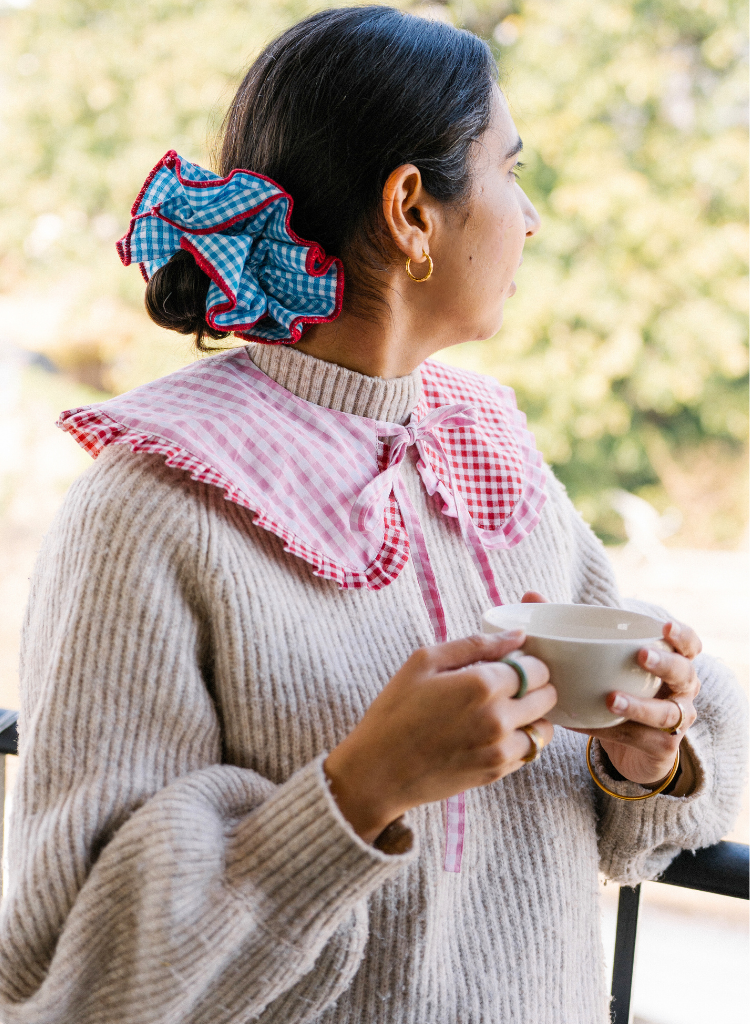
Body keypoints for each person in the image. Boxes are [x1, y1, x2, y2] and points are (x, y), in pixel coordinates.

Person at [0, 7, 745, 1023]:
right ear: (411, 209)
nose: (531, 220)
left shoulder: (487, 447)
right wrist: (362, 787)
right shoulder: (151, 507)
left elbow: (611, 789)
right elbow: (73, 982)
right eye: (511, 172)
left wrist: (641, 757)